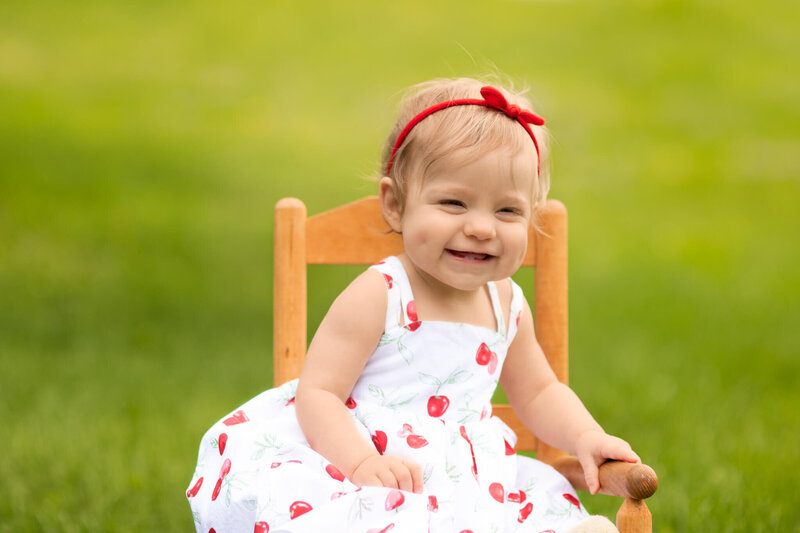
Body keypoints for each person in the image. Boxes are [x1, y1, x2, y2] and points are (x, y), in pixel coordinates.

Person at [187, 77, 640, 533]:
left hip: (475, 485)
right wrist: (363, 462)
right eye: (453, 202)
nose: (482, 227)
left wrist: (585, 435)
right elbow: (318, 392)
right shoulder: (381, 293)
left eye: (507, 211)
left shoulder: (506, 303)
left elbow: (540, 392)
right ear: (395, 205)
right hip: (380, 474)